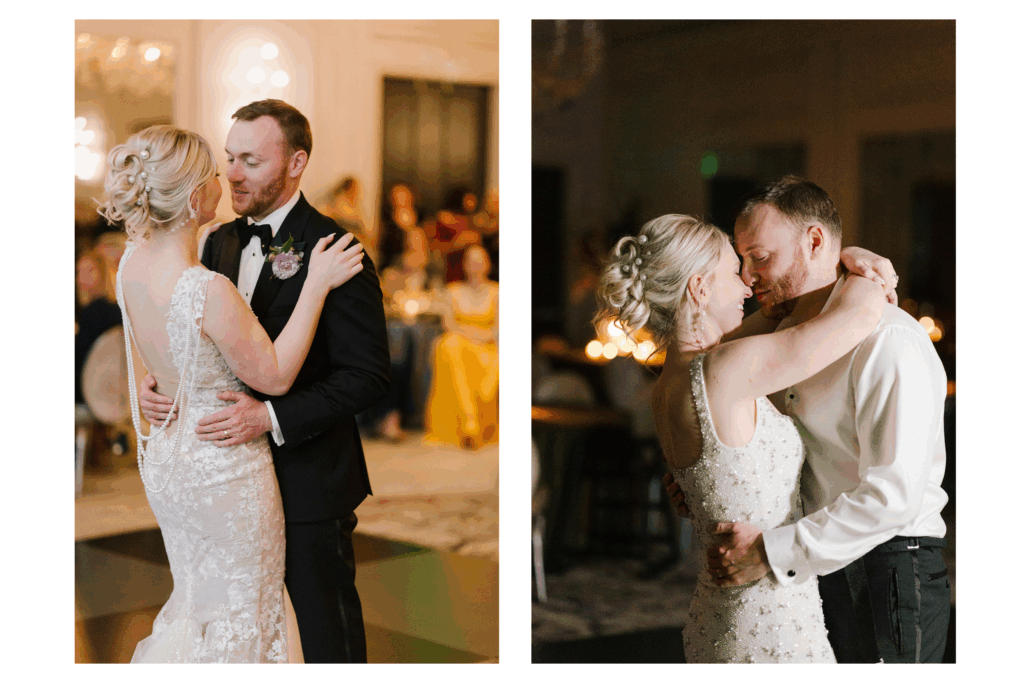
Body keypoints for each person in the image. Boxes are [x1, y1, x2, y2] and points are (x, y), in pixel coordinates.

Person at [137, 100, 391, 663]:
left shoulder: (335, 251)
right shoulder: (216, 242)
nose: (231, 174)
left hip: (306, 479)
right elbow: (198, 341)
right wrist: (163, 383)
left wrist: (270, 417)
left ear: (296, 162)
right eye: (229, 158)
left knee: (322, 634)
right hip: (227, 488)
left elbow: (369, 377)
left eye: (250, 160)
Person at [666, 176, 950, 663]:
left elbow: (894, 494)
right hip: (808, 575)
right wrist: (710, 476)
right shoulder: (778, 340)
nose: (750, 278)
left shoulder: (889, 340)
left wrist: (772, 553)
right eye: (742, 261)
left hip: (886, 571)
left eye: (760, 257)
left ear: (815, 241)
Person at [598, 211, 898, 663]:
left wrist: (839, 257)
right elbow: (856, 317)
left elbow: (774, 315)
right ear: (699, 288)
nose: (746, 287)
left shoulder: (668, 384)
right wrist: (871, 269)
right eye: (731, 274)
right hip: (770, 621)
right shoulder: (727, 370)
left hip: (718, 616)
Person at [424, 244, 498, 450]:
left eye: (480, 260)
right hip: (459, 344)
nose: (475, 265)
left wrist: (475, 337)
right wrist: (471, 336)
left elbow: (497, 331)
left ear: (488, 264)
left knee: (454, 346)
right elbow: (448, 325)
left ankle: (472, 424)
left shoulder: (497, 292)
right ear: (465, 265)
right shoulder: (453, 291)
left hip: (487, 348)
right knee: (450, 346)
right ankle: (469, 423)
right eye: (471, 260)